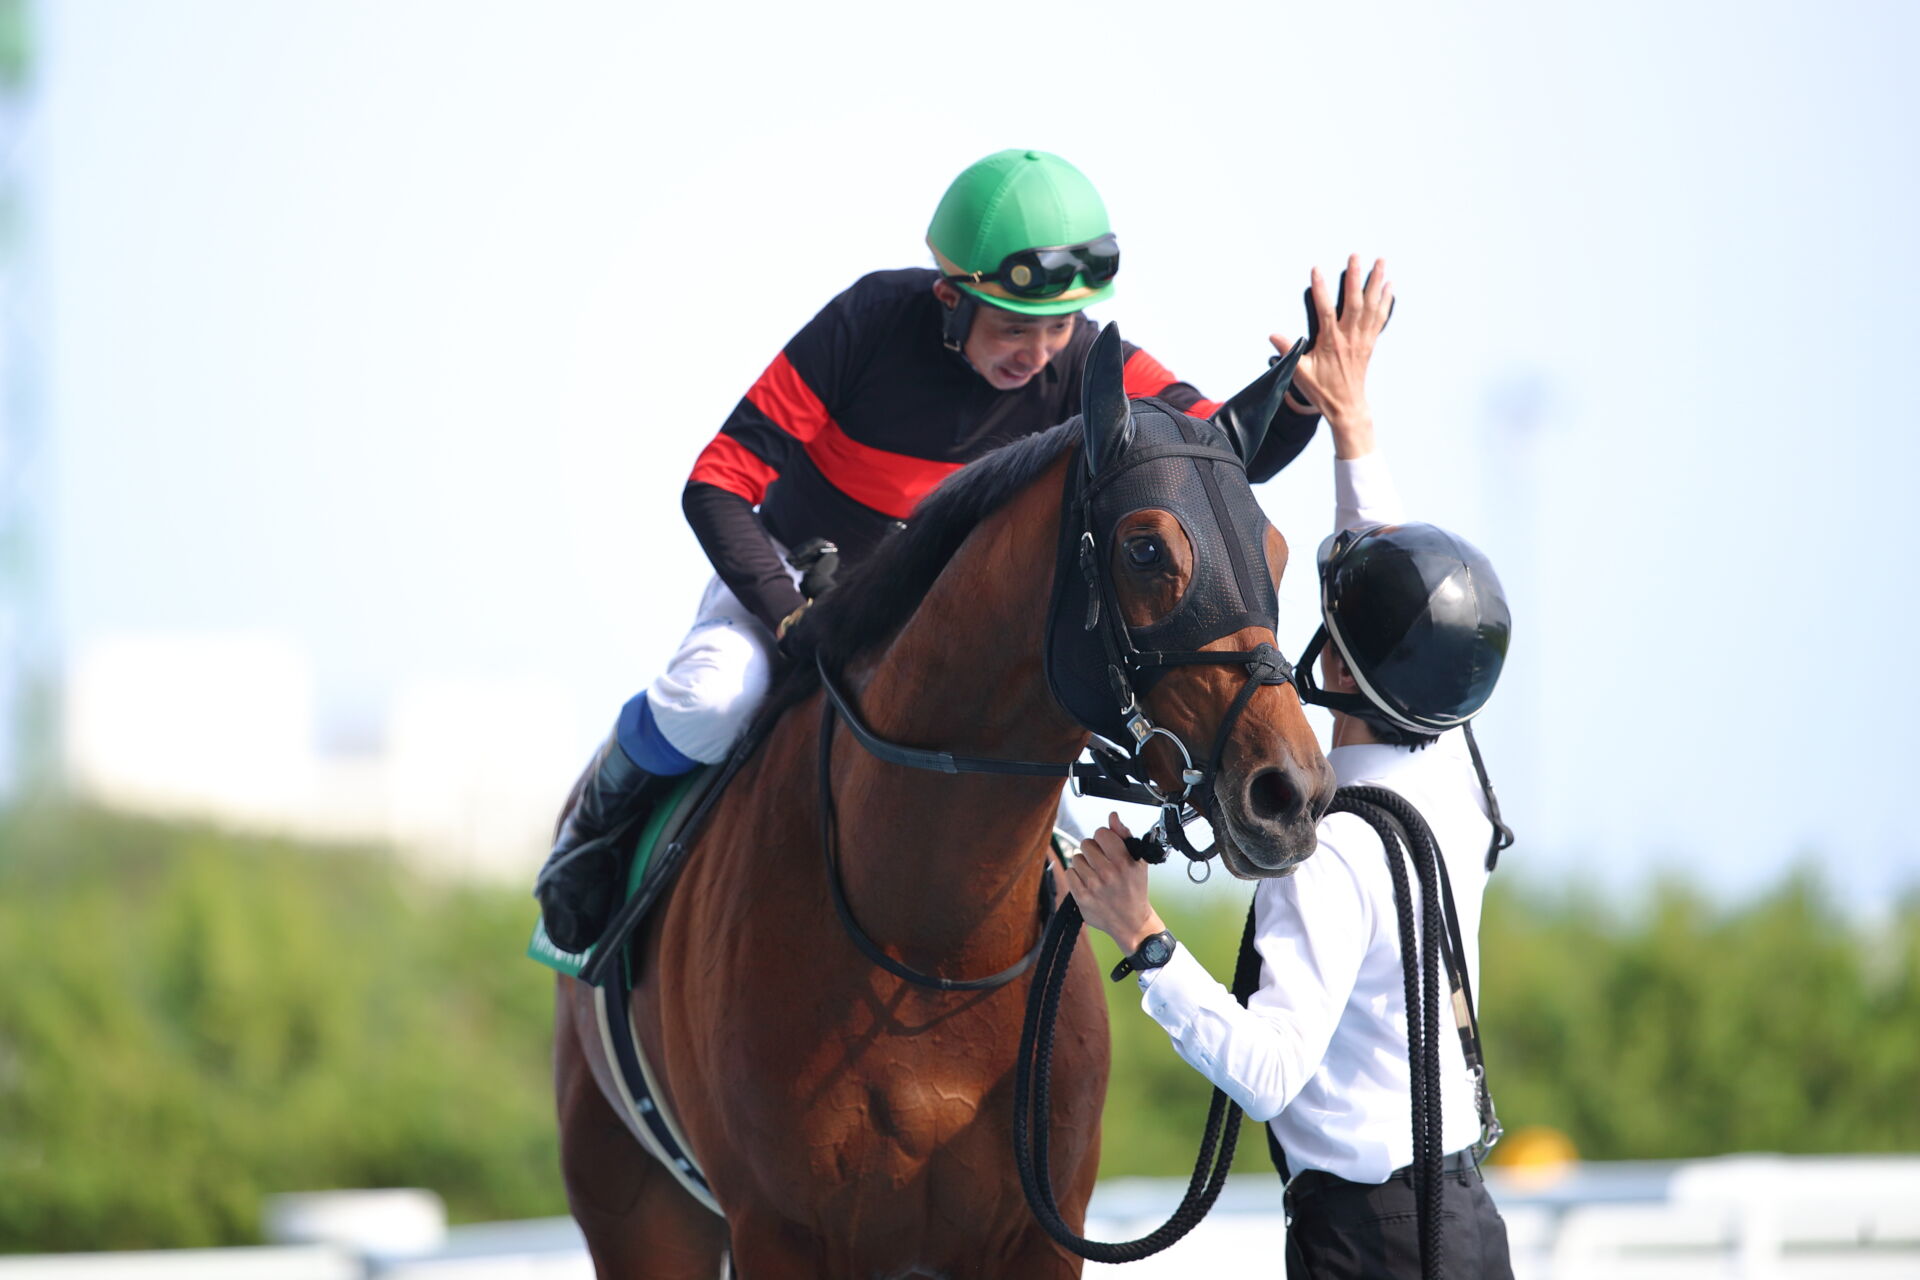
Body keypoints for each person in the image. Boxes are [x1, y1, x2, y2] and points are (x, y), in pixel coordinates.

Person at [534, 149, 1325, 952]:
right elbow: (716, 483)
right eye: (1015, 328)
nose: (1042, 353)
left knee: (1067, 807)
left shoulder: (1087, 358)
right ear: (950, 298)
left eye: (1059, 328)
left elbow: (1218, 448)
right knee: (713, 701)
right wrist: (786, 619)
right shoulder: (870, 320)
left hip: (948, 631)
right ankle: (599, 823)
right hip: (801, 589)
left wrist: (1301, 394)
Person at [1063, 258, 1517, 1279]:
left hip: (1367, 1242)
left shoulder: (1331, 850)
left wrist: (1140, 933)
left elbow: (1267, 1071)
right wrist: (1351, 421)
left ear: (1341, 663)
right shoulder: (1451, 767)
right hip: (1464, 1220)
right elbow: (1408, 592)